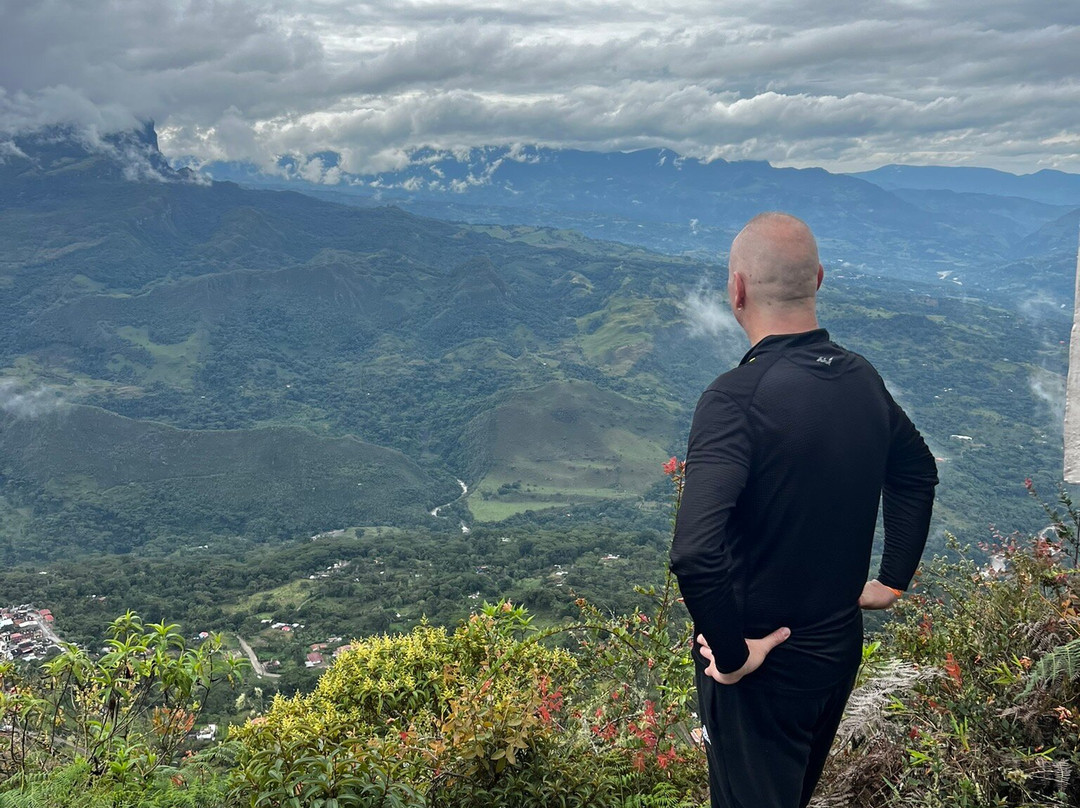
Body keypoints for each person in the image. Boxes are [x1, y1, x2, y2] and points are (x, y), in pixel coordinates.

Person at [669, 212, 938, 808]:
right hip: (837, 649)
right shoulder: (860, 377)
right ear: (818, 278)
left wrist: (735, 658)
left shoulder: (734, 398)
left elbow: (693, 552)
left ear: (736, 290)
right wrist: (891, 579)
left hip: (763, 665)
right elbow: (916, 471)